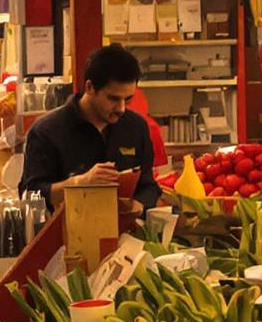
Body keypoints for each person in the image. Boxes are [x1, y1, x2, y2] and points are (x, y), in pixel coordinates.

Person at [19, 43, 164, 206]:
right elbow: (30, 196)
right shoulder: (46, 131)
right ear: (90, 87)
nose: (121, 109)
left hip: (125, 229)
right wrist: (79, 183)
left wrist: (138, 205)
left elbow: (149, 186)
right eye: (113, 99)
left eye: (128, 99)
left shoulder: (136, 127)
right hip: (67, 229)